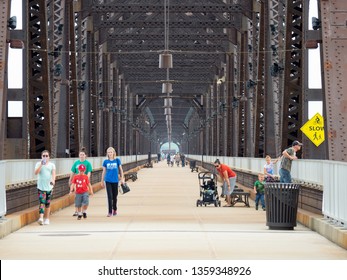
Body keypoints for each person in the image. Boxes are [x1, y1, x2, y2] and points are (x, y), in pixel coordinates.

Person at [101, 147, 125, 217]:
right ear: (107, 153)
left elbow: (121, 170)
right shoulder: (105, 161)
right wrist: (102, 180)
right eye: (108, 152)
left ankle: (114, 209)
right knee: (109, 196)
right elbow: (104, 171)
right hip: (108, 180)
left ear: (114, 153)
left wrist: (122, 179)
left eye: (111, 152)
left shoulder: (117, 160)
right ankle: (109, 211)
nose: (110, 153)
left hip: (115, 180)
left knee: (115, 196)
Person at [34, 150, 56, 225]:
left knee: (47, 203)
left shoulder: (52, 165)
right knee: (42, 202)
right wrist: (41, 164)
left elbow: (53, 174)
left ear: (49, 157)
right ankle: (41, 218)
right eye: (44, 156)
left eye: (46, 156)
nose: (45, 157)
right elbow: (36, 172)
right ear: (41, 156)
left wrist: (53, 181)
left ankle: (47, 218)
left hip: (49, 187)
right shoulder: (38, 164)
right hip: (41, 187)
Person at [69, 147, 93, 216]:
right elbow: (73, 171)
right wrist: (70, 179)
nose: (81, 156)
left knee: (84, 196)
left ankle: (82, 210)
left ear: (85, 155)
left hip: (84, 180)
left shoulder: (87, 163)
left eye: (83, 154)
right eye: (80, 154)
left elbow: (89, 172)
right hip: (77, 180)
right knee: (77, 195)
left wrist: (86, 179)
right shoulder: (76, 163)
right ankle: (76, 211)